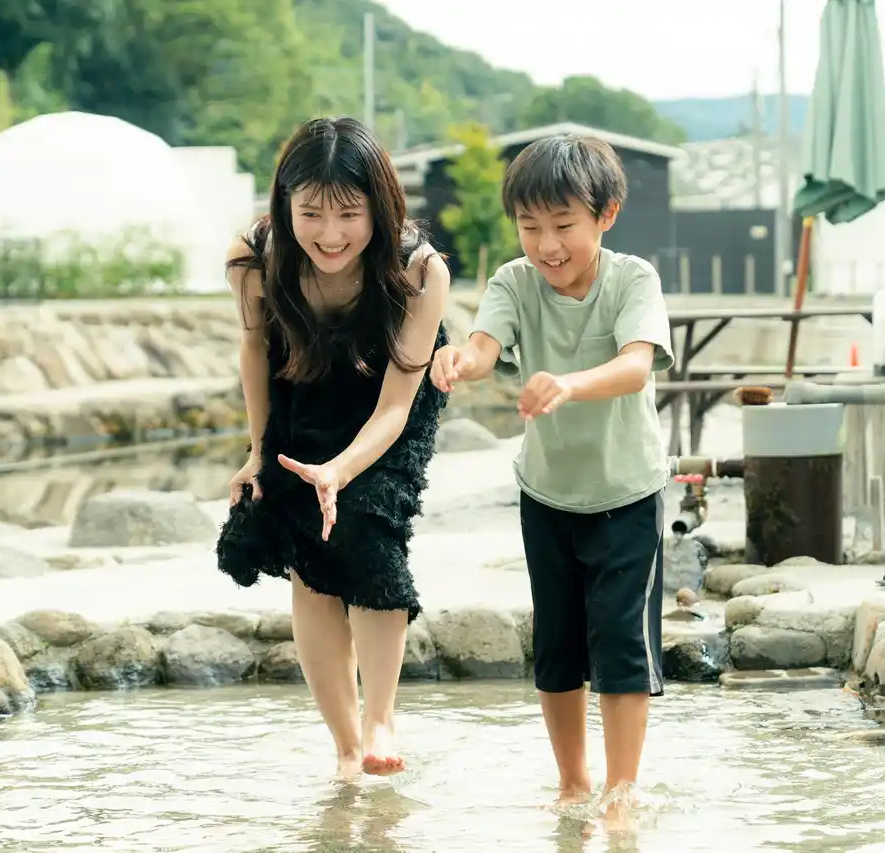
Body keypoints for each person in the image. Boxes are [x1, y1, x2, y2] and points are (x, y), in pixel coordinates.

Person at [429, 134, 674, 810]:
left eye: (563, 225)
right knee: (557, 645)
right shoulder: (513, 281)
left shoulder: (633, 280)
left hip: (627, 493)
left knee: (622, 643)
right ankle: (572, 784)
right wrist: (460, 361)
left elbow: (636, 366)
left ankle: (622, 791)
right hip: (547, 495)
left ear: (606, 215)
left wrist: (567, 383)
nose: (547, 245)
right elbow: (485, 346)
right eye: (530, 226)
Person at [216, 116, 450, 780]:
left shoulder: (419, 270)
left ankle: (381, 719)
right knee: (309, 553)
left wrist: (341, 471)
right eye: (311, 213)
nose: (329, 234)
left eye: (349, 214)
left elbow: (396, 405)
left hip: (390, 392)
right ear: (284, 204)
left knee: (368, 523)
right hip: (302, 381)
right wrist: (259, 450)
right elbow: (255, 348)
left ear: (380, 206)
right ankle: (347, 749)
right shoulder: (254, 258)